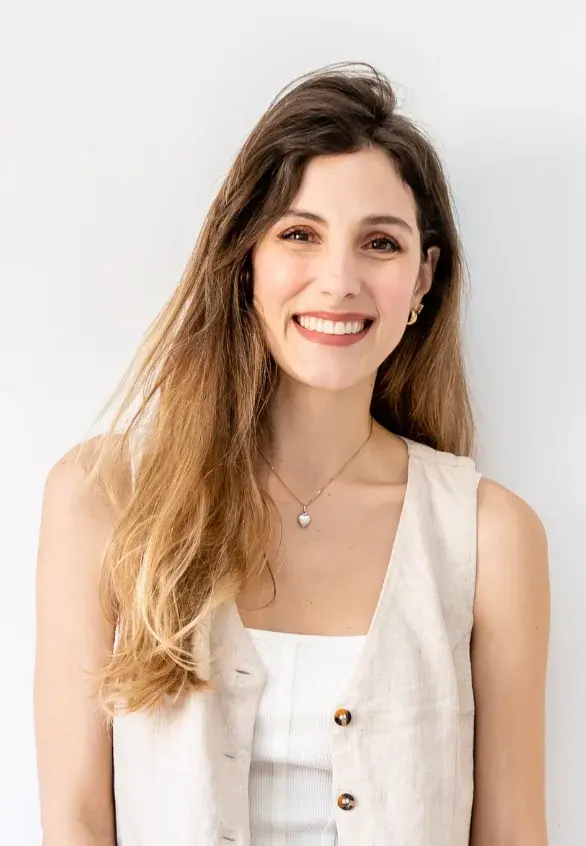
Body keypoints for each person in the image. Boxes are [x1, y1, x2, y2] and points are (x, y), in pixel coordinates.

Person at [34, 62, 550, 846]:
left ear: (423, 280)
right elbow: (74, 821)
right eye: (299, 234)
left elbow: (514, 834)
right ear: (247, 256)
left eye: (380, 243)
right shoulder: (103, 496)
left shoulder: (489, 536)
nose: (338, 281)